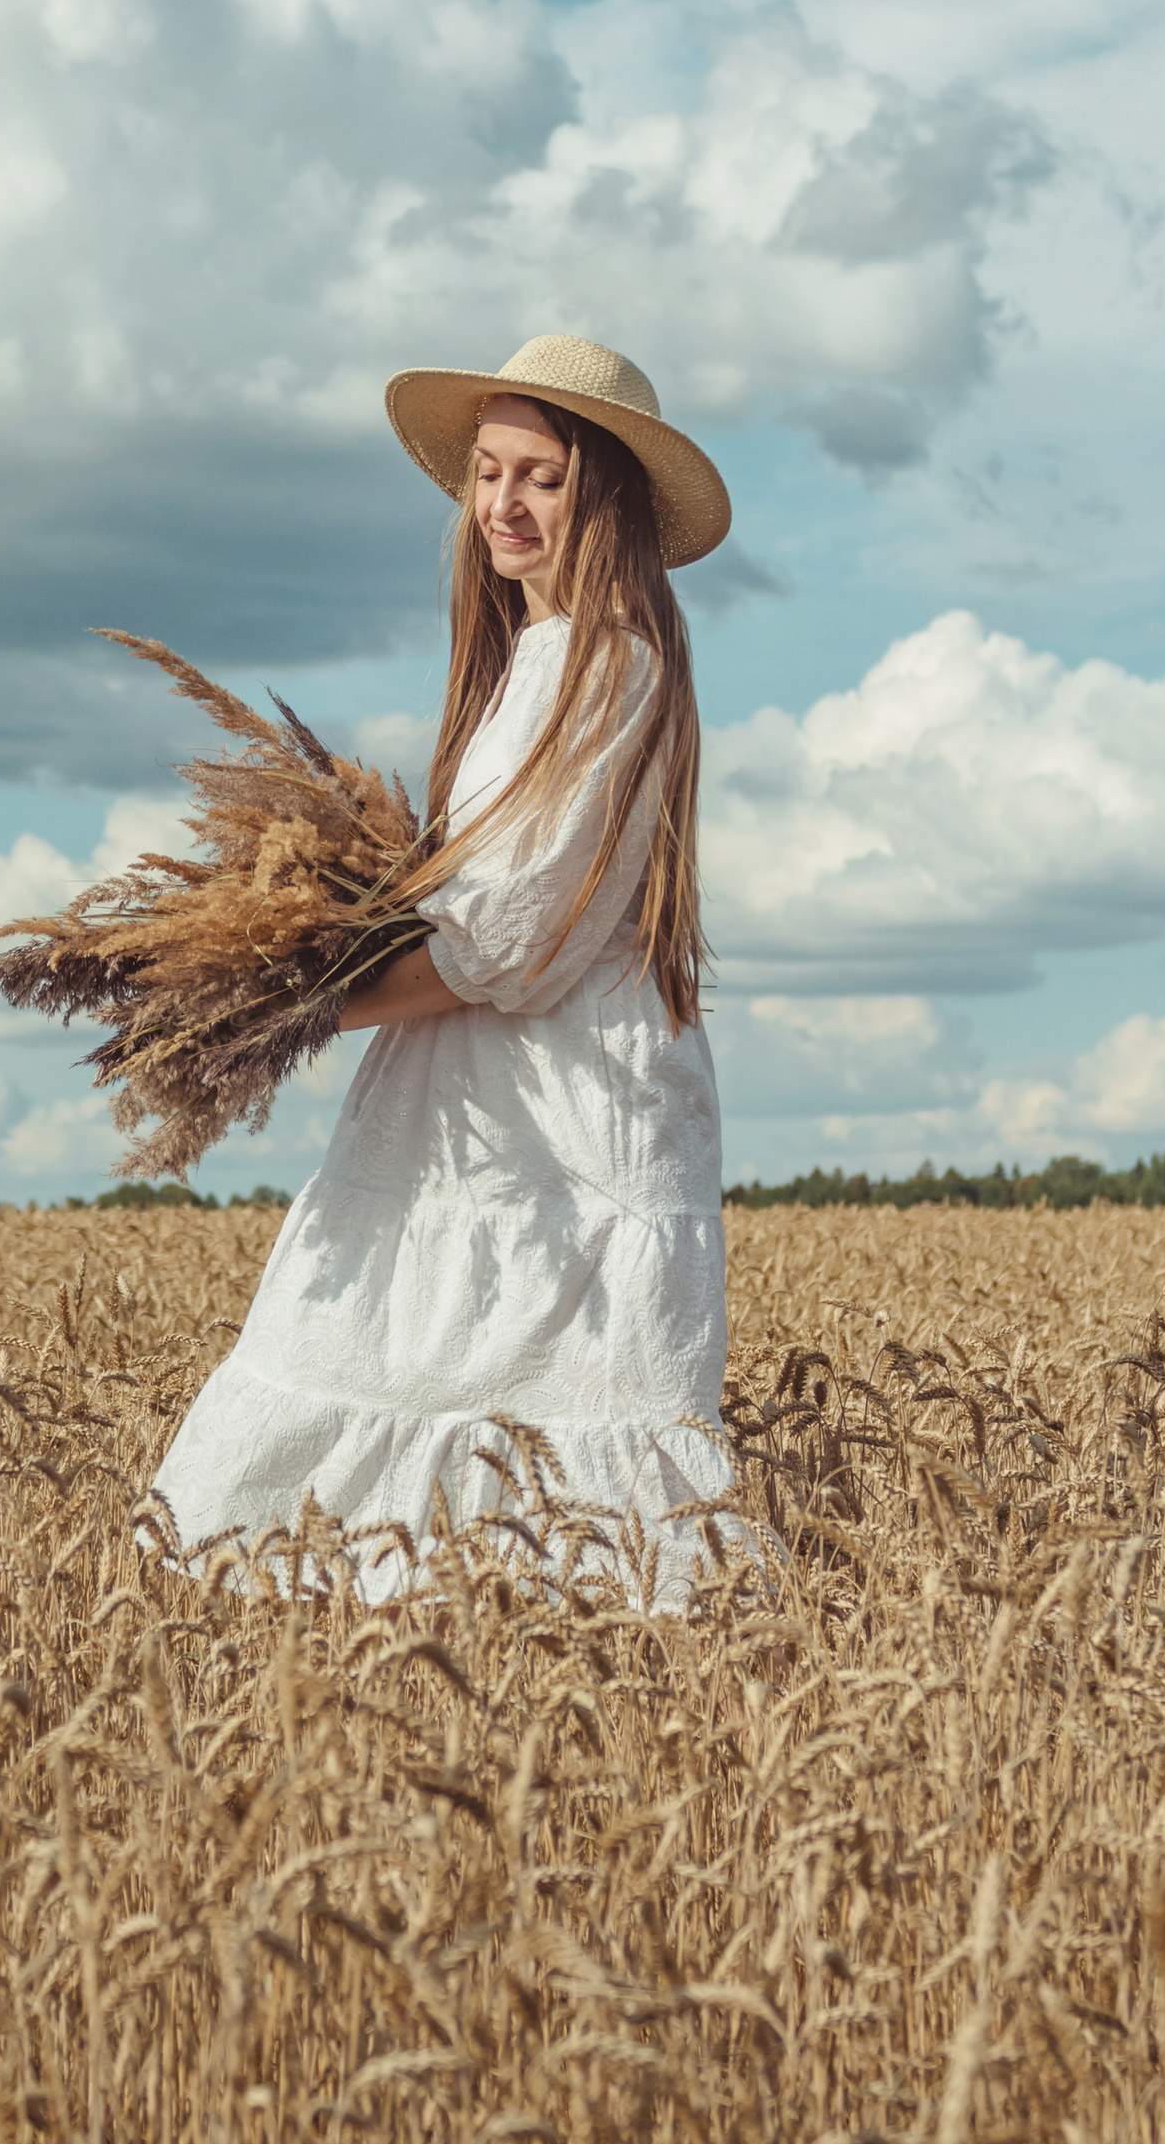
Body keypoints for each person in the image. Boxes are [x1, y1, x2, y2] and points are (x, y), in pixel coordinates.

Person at [144, 332, 741, 1601]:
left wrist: (291, 1002)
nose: (503, 508)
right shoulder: (538, 668)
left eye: (542, 478)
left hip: (561, 1120)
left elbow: (504, 945)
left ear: (605, 500)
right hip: (488, 1109)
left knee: (567, 1510)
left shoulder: (602, 665)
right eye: (486, 474)